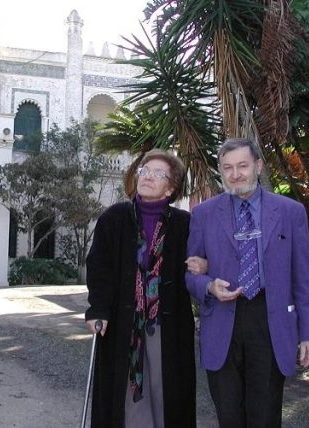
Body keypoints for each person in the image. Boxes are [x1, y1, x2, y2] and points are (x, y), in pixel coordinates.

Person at [186, 137, 309, 427]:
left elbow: (304, 279)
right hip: (222, 320)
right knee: (229, 415)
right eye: (227, 168)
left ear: (258, 166)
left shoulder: (290, 212)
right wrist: (208, 286)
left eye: (242, 166)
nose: (235, 174)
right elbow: (190, 273)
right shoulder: (203, 214)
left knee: (266, 415)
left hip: (269, 320)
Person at [85, 149, 196, 428]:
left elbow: (195, 265)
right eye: (145, 171)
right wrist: (97, 309)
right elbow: (99, 268)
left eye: (159, 174)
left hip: (167, 324)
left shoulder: (185, 224)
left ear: (171, 187)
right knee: (125, 393)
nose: (148, 177)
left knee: (166, 390)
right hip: (123, 323)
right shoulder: (114, 218)